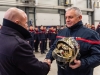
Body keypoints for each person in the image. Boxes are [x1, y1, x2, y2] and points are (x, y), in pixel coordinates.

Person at [45, 7, 100, 75]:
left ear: (80, 17)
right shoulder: (62, 32)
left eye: (70, 17)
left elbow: (98, 56)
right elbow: (54, 47)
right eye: (66, 17)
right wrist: (48, 58)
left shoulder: (91, 35)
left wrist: (81, 63)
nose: (67, 20)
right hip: (62, 72)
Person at [0, 7, 50, 75]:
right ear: (17, 22)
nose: (27, 26)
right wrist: (46, 65)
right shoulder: (19, 45)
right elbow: (37, 70)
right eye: (25, 23)